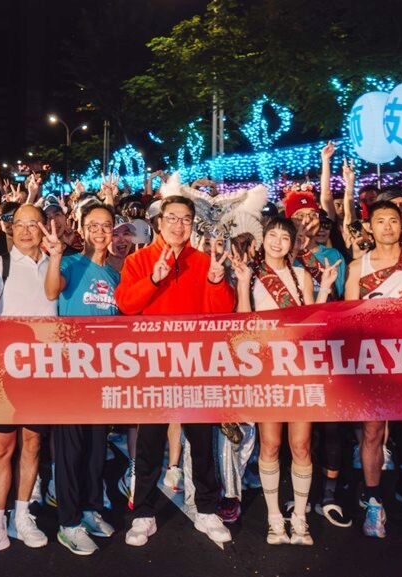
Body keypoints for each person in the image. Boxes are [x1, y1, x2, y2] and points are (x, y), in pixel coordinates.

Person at [116, 195, 234, 547]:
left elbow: (221, 314)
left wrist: (216, 280)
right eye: (172, 218)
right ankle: (143, 513)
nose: (178, 225)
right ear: (158, 221)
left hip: (195, 363)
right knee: (150, 443)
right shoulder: (139, 260)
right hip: (153, 364)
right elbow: (126, 305)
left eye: (185, 219)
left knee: (202, 439)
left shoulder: (203, 261)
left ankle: (208, 509)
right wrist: (154, 278)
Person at [232, 216, 339, 545]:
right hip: (266, 370)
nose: (278, 241)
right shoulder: (252, 276)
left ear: (294, 243)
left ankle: (300, 517)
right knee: (271, 444)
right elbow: (243, 324)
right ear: (263, 239)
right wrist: (241, 283)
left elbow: (313, 322)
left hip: (299, 369)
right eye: (272, 235)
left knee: (301, 445)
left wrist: (326, 291)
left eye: (284, 237)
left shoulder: (304, 276)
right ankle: (275, 517)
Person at [344, 200, 402, 541]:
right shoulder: (357, 266)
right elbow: (349, 317)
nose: (387, 227)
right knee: (371, 433)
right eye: (380, 220)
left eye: (393, 221)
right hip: (373, 363)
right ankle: (373, 501)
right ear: (369, 226)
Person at [0, 204, 57, 560]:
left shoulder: (56, 264)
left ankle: (22, 515)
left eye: (32, 224)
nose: (25, 231)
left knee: (33, 445)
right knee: (1, 447)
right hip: (3, 372)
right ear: (10, 229)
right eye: (18, 224)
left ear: (43, 228)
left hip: (43, 371)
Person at [39, 203, 119, 555]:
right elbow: (52, 292)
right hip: (70, 371)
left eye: (106, 225)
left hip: (101, 374)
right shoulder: (70, 263)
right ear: (82, 228)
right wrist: (56, 256)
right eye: (93, 225)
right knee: (70, 451)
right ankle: (69, 523)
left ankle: (89, 509)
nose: (100, 231)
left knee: (95, 448)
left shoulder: (116, 275)